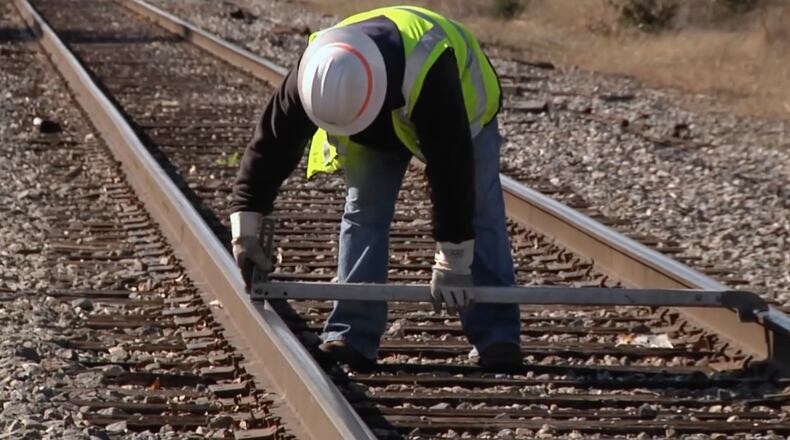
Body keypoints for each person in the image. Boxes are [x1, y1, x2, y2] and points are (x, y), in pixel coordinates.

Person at [229, 6, 522, 371]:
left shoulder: (428, 72)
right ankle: (352, 334)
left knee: (480, 210)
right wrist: (246, 226)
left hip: (466, 114)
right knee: (364, 209)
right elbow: (271, 145)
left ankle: (498, 338)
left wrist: (453, 258)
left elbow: (451, 171)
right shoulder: (315, 71)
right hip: (382, 114)